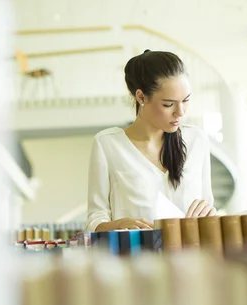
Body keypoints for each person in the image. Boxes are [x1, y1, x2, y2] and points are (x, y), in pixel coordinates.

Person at [86, 50, 216, 232]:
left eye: (185, 100)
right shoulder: (107, 145)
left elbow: (208, 206)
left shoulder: (197, 141)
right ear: (141, 97)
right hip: (137, 257)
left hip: (192, 256)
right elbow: (95, 219)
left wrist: (210, 215)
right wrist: (118, 224)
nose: (180, 112)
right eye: (168, 104)